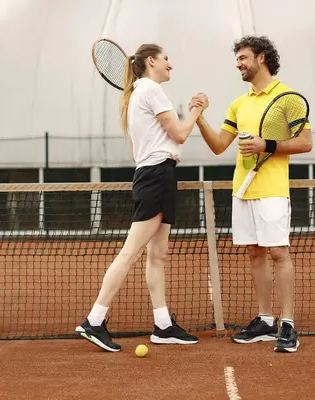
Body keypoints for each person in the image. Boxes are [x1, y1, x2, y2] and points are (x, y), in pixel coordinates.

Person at [76, 43, 206, 352]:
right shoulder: (150, 89)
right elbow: (180, 134)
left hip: (156, 175)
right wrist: (196, 112)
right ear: (151, 61)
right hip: (157, 176)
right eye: (166, 59)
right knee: (130, 252)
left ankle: (162, 326)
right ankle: (94, 320)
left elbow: (141, 149)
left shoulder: (137, 94)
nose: (169, 65)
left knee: (157, 254)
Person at [190, 36, 312, 353]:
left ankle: (288, 325)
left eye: (243, 58)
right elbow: (219, 146)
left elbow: (306, 143)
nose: (239, 64)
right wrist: (199, 118)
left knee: (278, 254)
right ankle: (265, 320)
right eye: (237, 60)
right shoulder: (239, 104)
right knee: (255, 254)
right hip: (242, 190)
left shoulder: (289, 98)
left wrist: (266, 145)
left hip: (272, 189)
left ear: (261, 57)